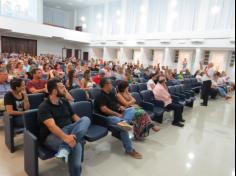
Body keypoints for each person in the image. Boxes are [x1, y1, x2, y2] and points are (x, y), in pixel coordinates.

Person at [38, 78, 91, 176]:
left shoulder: (64, 101)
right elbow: (52, 127)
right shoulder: (44, 107)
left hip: (69, 130)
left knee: (85, 119)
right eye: (62, 87)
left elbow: (74, 117)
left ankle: (64, 149)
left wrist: (82, 128)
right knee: (76, 146)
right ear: (54, 91)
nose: (65, 88)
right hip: (51, 136)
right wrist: (66, 137)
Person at [94, 78, 143, 159]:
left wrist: (120, 107)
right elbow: (104, 110)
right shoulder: (100, 96)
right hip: (109, 117)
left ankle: (124, 122)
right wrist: (116, 114)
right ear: (106, 85)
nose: (112, 85)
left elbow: (115, 103)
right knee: (123, 128)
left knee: (132, 109)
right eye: (110, 83)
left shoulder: (111, 93)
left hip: (119, 115)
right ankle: (129, 150)